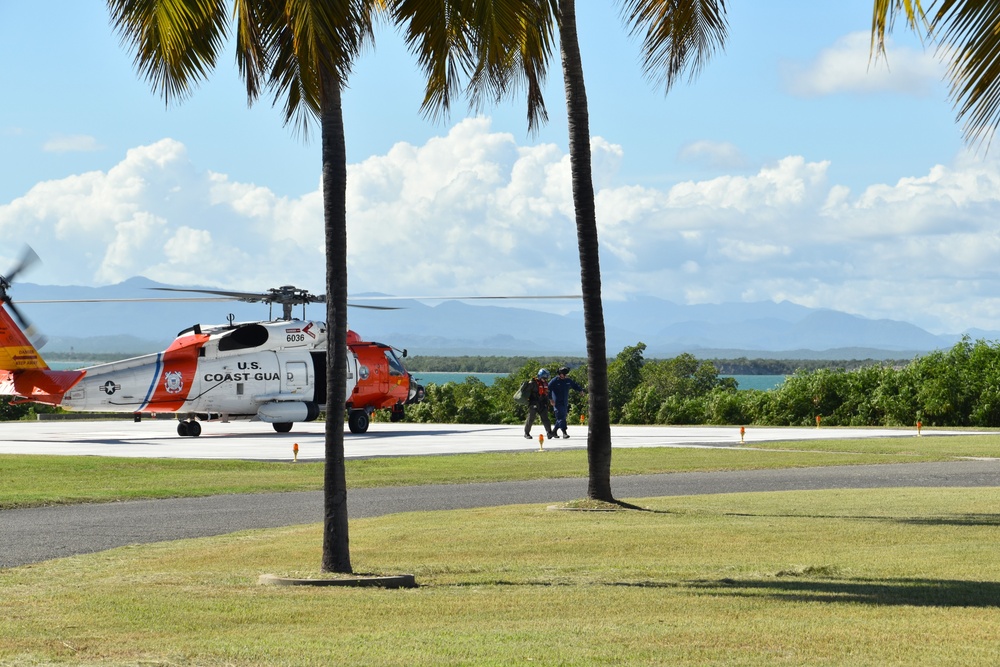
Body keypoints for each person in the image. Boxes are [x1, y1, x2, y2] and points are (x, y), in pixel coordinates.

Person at [548, 366, 586, 438]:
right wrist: (550, 399)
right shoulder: (554, 381)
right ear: (560, 374)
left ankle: (553, 432)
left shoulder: (567, 380)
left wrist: (580, 390)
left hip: (564, 401)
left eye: (566, 374)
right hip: (556, 402)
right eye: (564, 374)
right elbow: (548, 389)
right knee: (561, 417)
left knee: (562, 416)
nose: (565, 375)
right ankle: (564, 432)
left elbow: (575, 385)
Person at [524, 368, 556, 440]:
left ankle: (549, 432)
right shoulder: (533, 383)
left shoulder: (545, 384)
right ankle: (526, 433)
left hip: (542, 403)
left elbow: (546, 394)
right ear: (540, 376)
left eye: (546, 378)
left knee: (545, 419)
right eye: (544, 377)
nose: (545, 379)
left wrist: (548, 402)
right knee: (531, 418)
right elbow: (526, 392)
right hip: (533, 403)